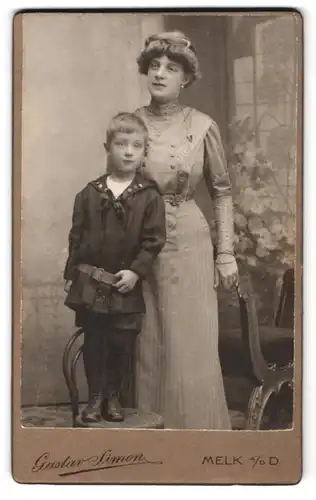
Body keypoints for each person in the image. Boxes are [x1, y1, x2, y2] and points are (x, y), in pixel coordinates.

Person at [134, 31, 239, 429]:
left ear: (185, 79)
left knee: (189, 342)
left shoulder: (202, 125)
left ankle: (197, 437)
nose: (160, 74)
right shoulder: (132, 123)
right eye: (155, 66)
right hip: (143, 242)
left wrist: (225, 252)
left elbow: (223, 191)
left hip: (191, 242)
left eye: (171, 68)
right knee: (148, 341)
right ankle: (149, 444)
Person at [63, 112, 166, 423]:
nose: (128, 151)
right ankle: (94, 398)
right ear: (107, 147)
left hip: (125, 284)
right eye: (121, 144)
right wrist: (71, 274)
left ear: (144, 152)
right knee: (94, 340)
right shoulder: (89, 194)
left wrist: (136, 272)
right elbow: (76, 236)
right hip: (92, 283)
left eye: (136, 146)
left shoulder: (149, 196)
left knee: (121, 342)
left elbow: (153, 240)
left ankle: (112, 396)